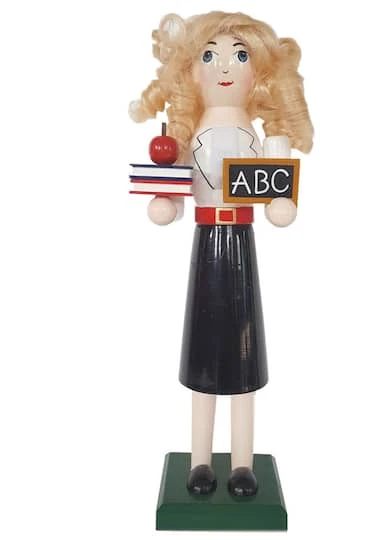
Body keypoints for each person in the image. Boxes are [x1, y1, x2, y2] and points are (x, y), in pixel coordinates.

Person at [129, 11, 313, 497]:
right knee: (204, 359)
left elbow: (277, 191)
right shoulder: (187, 136)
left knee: (244, 361)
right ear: (189, 70)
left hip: (242, 247)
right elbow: (170, 188)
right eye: (209, 56)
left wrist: (280, 203)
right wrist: (166, 202)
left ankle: (243, 464)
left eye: (240, 55)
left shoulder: (262, 138)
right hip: (207, 246)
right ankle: (200, 461)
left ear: (261, 72)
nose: (224, 66)